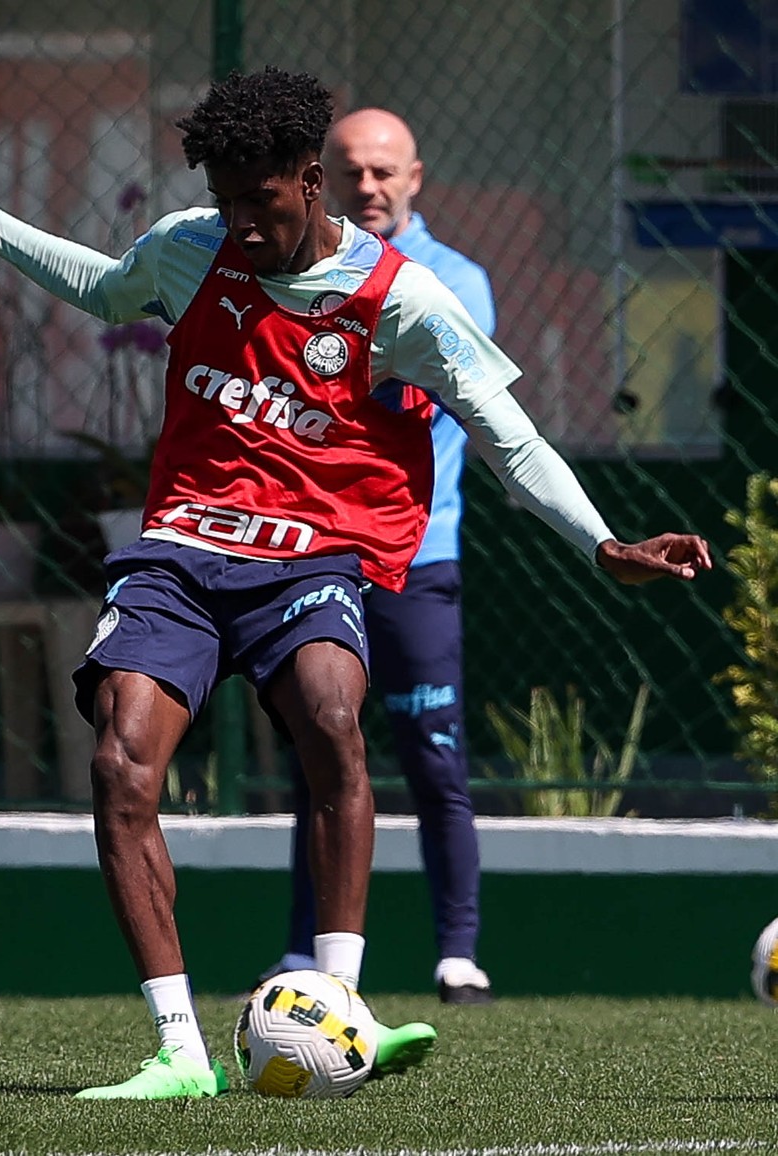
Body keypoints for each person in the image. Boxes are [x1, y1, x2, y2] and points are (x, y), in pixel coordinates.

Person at [0, 66, 711, 1102]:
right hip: (181, 553)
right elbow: (102, 287)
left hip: (310, 559)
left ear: (309, 180)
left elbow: (509, 434)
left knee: (332, 720)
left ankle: (339, 1006)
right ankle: (179, 1049)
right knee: (119, 766)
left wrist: (603, 543)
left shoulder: (397, 298)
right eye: (224, 201)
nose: (237, 224)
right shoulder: (189, 250)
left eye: (258, 202)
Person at [262, 108, 499, 1004]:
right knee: (319, 755)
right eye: (352, 171)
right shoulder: (294, 272)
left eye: (384, 171)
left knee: (435, 758)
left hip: (418, 560)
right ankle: (299, 954)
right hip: (321, 561)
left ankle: (458, 954)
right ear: (326, 178)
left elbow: (409, 390)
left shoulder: (455, 282)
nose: (369, 186)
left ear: (415, 179)